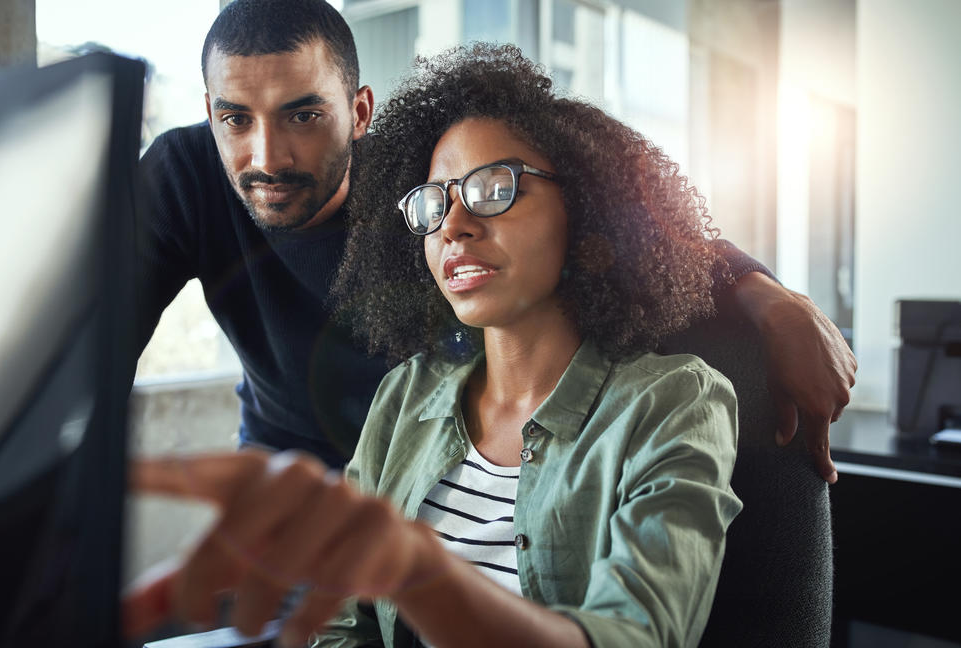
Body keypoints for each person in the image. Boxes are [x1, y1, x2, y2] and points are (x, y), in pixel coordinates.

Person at [125, 43, 745, 647]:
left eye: (494, 187)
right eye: (434, 202)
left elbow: (637, 635)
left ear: (585, 205)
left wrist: (421, 574)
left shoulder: (673, 403)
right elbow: (342, 628)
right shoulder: (406, 395)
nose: (454, 225)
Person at [135, 0, 854, 480]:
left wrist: (768, 297)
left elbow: (633, 215)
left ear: (358, 112)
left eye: (301, 116)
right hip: (283, 485)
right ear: (209, 112)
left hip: (429, 482)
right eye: (234, 120)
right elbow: (87, 338)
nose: (267, 156)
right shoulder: (183, 175)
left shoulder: (425, 185)